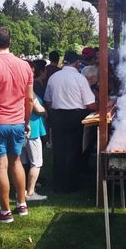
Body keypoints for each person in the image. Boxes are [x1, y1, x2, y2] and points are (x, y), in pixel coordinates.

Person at [0, 25, 33, 222]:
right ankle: (22, 203)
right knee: (16, 161)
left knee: (0, 167)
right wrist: (26, 121)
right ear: (9, 42)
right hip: (17, 121)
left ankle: (5, 211)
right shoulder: (25, 66)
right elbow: (30, 99)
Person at [44, 50, 97, 193]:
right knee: (73, 150)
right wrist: (102, 105)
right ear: (77, 63)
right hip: (75, 116)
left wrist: (54, 111)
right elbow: (90, 104)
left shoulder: (54, 77)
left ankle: (59, 183)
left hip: (57, 115)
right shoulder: (79, 78)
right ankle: (71, 184)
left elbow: (48, 100)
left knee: (59, 150)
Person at [21, 93, 48, 201]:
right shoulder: (29, 91)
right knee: (36, 162)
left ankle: (21, 191)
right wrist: (46, 112)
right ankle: (31, 192)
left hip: (19, 127)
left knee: (21, 163)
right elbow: (37, 108)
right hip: (32, 129)